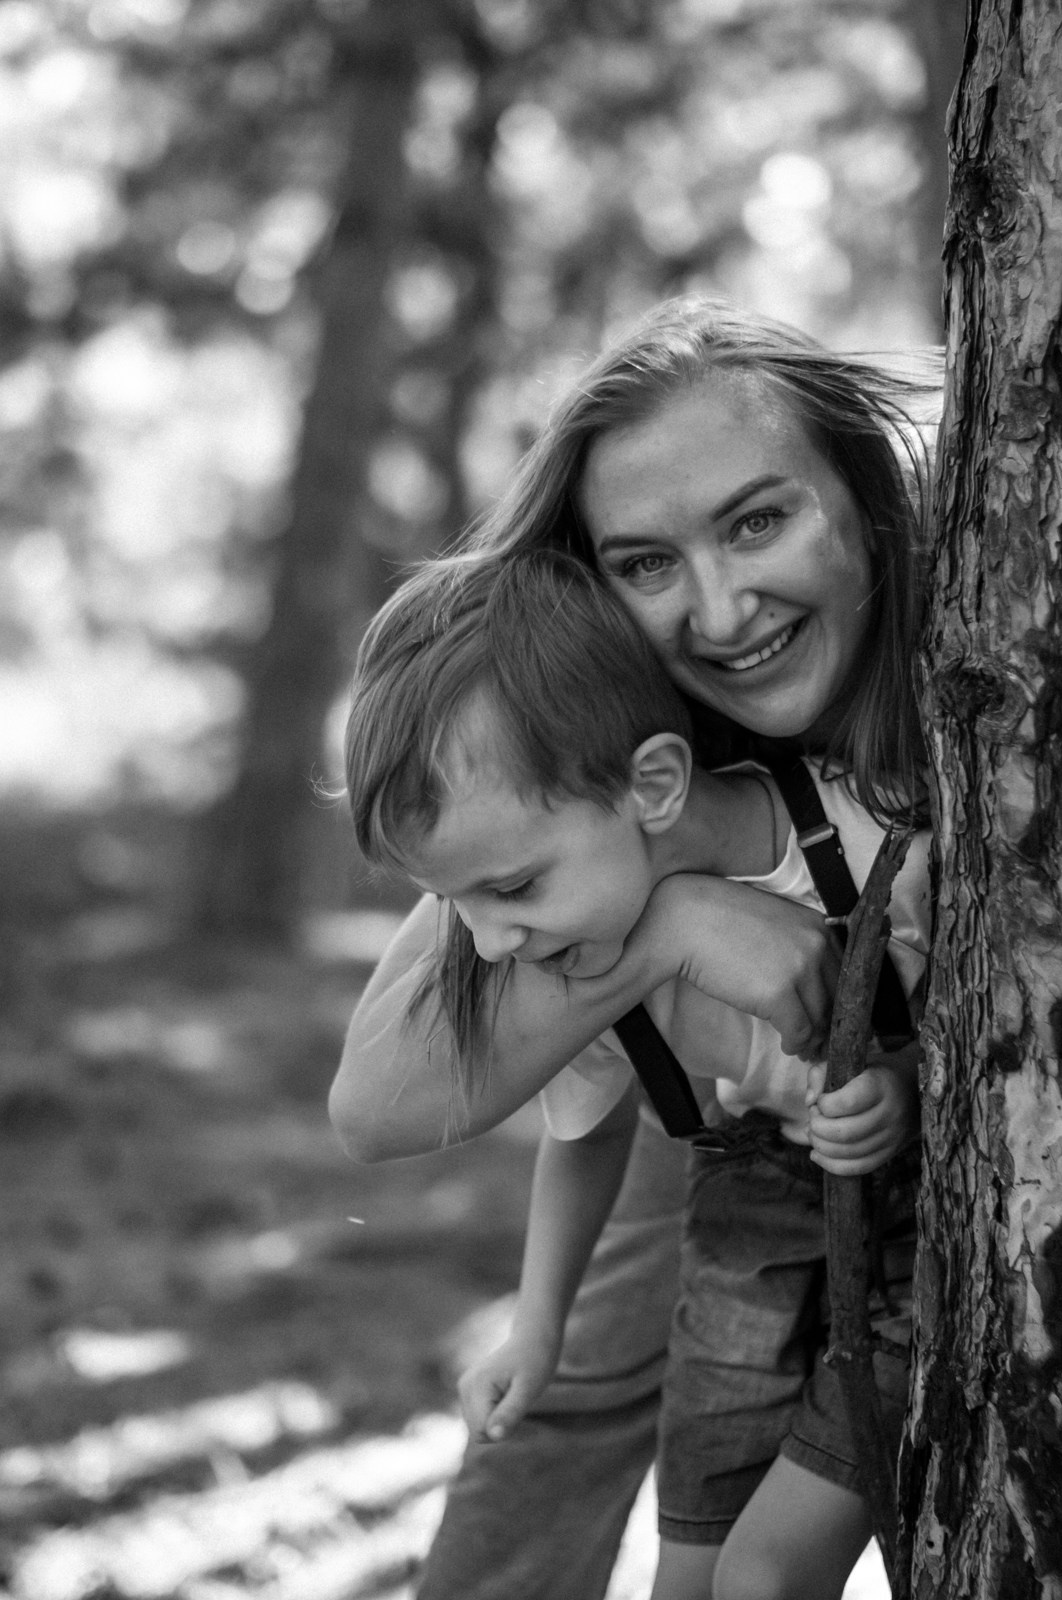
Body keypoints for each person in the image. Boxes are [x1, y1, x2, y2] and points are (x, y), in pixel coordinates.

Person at [332, 299, 936, 1597]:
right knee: (598, 1377)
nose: (719, 608)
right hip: (726, 1122)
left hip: (891, 1185)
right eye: (647, 562)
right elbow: (380, 1106)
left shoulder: (959, 692)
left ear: (865, 499)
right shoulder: (568, 766)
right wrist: (673, 923)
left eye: (759, 521)